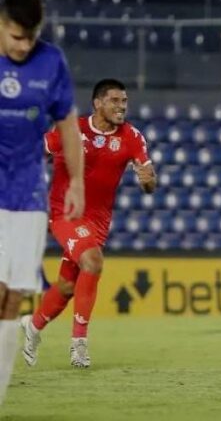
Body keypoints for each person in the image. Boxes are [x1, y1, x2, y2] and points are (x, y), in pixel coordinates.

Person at [21, 78, 155, 368]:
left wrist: (148, 182)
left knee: (68, 286)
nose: (122, 107)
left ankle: (32, 328)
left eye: (124, 101)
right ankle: (79, 344)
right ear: (98, 103)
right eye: (115, 101)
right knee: (93, 261)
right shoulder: (72, 129)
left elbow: (149, 179)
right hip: (65, 213)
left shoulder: (132, 136)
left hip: (98, 221)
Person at [0, 0, 84, 401]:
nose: (23, 45)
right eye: (16, 36)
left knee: (14, 297)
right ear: (2, 25)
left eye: (30, 37)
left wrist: (78, 182)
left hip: (29, 194)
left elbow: (68, 125)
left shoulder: (51, 61)